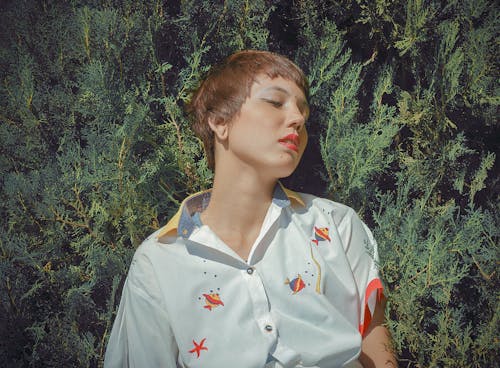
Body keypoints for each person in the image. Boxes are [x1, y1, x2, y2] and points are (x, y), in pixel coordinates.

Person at [104, 50, 397, 368]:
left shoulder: (337, 223)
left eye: (303, 112)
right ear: (219, 121)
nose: (297, 119)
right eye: (275, 102)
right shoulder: (159, 261)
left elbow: (373, 330)